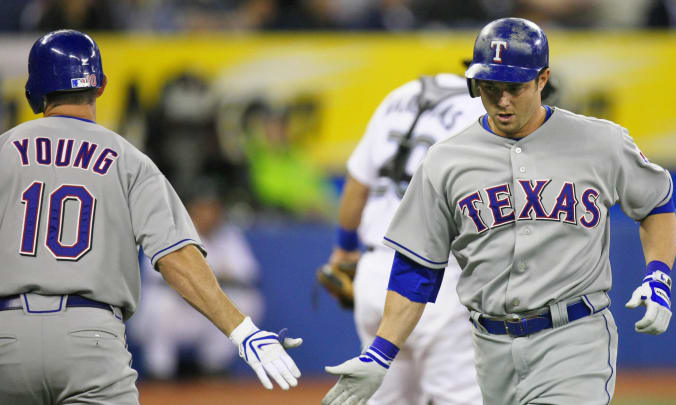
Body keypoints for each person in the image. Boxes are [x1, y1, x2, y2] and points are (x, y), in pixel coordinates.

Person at [322, 17, 676, 405]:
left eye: (515, 87)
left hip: (574, 338)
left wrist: (658, 274)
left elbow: (655, 201)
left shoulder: (600, 141)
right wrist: (380, 353)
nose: (503, 100)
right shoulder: (445, 160)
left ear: (543, 79)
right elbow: (417, 270)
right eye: (491, 88)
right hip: (490, 348)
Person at [0, 30, 301, 405]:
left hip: (7, 337)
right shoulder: (128, 159)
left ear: (34, 88)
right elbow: (176, 257)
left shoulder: (5, 150)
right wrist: (244, 331)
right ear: (102, 85)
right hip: (89, 340)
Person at [325, 72, 487, 404]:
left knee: (383, 395)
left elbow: (356, 185)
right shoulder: (483, 108)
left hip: (373, 273)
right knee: (458, 398)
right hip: (436, 277)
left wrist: (343, 249)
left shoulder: (397, 96)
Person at [130, 183, 265, 379]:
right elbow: (162, 278)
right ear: (189, 210)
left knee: (248, 301)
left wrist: (202, 277)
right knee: (159, 303)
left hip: (205, 312)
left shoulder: (228, 235)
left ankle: (213, 368)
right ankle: (159, 371)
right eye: (202, 207)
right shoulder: (169, 233)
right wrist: (210, 276)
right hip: (174, 310)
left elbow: (248, 275)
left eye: (212, 208)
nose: (207, 214)